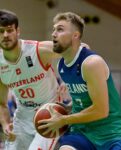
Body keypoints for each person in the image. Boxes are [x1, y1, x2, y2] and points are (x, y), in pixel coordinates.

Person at [38, 12, 121, 150]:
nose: (53, 34)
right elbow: (82, 99)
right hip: (82, 132)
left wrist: (63, 120)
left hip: (111, 134)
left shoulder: (91, 63)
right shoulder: (62, 65)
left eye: (60, 29)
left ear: (75, 35)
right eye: (54, 29)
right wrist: (65, 108)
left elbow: (101, 110)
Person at [0, 9, 74, 150]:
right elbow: (1, 103)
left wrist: (68, 78)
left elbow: (80, 49)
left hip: (50, 113)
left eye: (9, 30)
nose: (5, 35)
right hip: (22, 117)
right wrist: (5, 124)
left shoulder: (38, 50)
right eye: (1, 31)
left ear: (18, 31)